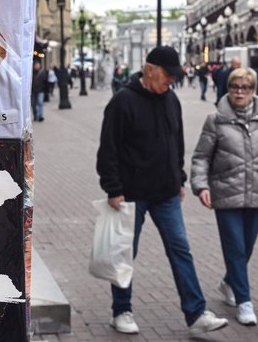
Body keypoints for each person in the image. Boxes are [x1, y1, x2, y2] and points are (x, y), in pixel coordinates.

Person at [96, 46, 228, 337]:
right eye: (168, 76)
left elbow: (176, 142)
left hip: (166, 192)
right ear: (151, 69)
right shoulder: (123, 102)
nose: (171, 82)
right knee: (124, 253)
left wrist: (178, 178)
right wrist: (113, 188)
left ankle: (196, 313)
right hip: (131, 194)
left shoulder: (171, 99)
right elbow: (108, 150)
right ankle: (121, 311)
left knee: (181, 250)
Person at [190, 67, 258, 326]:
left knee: (247, 247)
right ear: (228, 89)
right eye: (235, 87)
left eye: (245, 88)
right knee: (235, 247)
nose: (239, 92)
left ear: (253, 90)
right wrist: (201, 186)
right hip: (225, 193)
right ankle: (245, 302)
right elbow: (201, 157)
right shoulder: (215, 120)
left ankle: (229, 283)